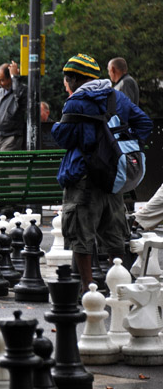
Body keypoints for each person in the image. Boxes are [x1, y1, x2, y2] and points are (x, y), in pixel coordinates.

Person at [51, 54, 152, 294]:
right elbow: (145, 124)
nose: (66, 84)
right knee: (115, 233)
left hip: (84, 178)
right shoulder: (116, 97)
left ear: (75, 79)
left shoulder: (76, 101)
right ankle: (118, 286)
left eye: (67, 79)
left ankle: (88, 290)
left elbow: (63, 137)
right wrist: (118, 143)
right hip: (113, 176)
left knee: (81, 235)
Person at [0, 61, 27, 151]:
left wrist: (15, 77)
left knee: (4, 164)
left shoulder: (21, 90)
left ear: (10, 79)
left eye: (2, 80)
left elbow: (19, 97)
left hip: (10, 136)